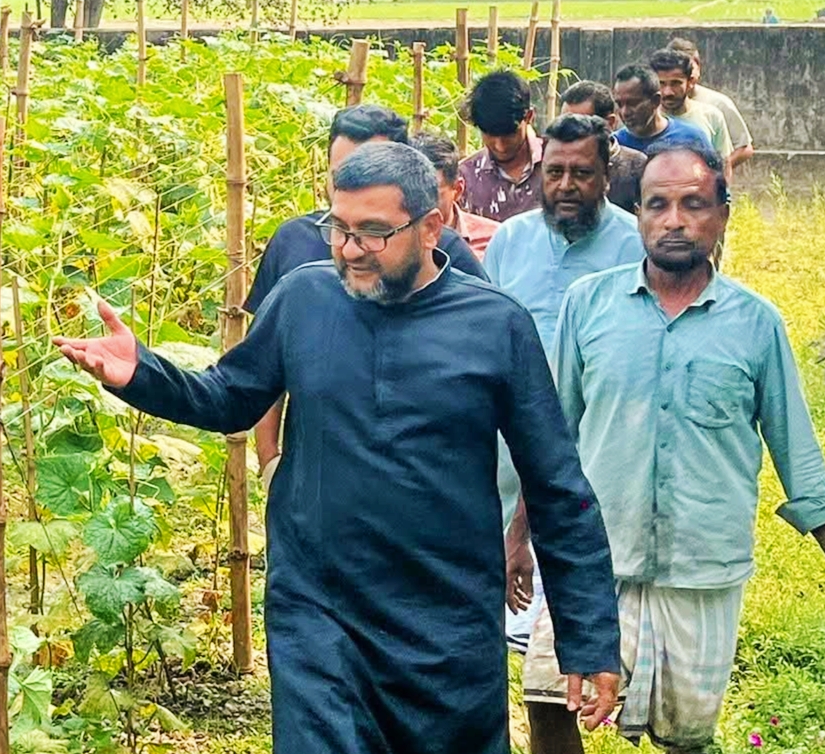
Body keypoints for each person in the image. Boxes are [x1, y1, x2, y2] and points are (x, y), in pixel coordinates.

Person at [55, 142, 623, 754]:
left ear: (431, 225)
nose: (350, 250)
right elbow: (229, 396)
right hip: (319, 612)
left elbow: (557, 487)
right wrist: (141, 372)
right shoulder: (305, 299)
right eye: (339, 228)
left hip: (446, 624)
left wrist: (587, 638)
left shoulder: (495, 325)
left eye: (374, 233)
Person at [520, 146, 825, 754]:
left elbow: (797, 450)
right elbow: (552, 437)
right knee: (547, 696)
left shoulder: (756, 323)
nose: (674, 220)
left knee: (684, 737)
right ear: (636, 213)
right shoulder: (588, 305)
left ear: (722, 215)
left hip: (702, 569)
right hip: (593, 558)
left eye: (694, 204)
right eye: (658, 205)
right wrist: (518, 536)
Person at [246, 105, 489, 491]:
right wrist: (269, 460)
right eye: (340, 174)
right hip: (316, 491)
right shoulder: (293, 243)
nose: (351, 250)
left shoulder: (447, 253)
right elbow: (260, 369)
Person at [484, 114, 646, 651]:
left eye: (582, 173)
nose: (566, 186)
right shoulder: (511, 241)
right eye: (554, 172)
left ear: (607, 174)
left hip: (603, 437)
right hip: (512, 446)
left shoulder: (634, 245)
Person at [459, 69, 543, 222]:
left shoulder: (558, 166)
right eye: (490, 134)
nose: (500, 146)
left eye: (509, 134)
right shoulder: (465, 179)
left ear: (529, 116)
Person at [667, 38, 754, 170]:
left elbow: (744, 147)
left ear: (698, 68)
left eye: (690, 69)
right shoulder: (654, 105)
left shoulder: (718, 105)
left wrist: (716, 170)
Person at [559, 81, 644, 214]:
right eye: (564, 123)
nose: (570, 132)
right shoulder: (553, 165)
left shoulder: (637, 165)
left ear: (610, 123)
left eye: (581, 124)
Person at [412, 131, 499, 258]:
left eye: (430, 194)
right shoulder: (388, 241)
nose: (418, 203)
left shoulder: (494, 240)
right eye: (409, 193)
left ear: (457, 190)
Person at [611, 65, 715, 157]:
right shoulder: (613, 145)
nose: (625, 112)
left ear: (655, 101)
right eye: (619, 105)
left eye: (633, 104)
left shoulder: (691, 138)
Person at [650, 50, 732, 163]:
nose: (668, 92)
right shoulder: (643, 120)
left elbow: (724, 164)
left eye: (676, 83)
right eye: (661, 83)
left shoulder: (712, 116)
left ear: (690, 82)